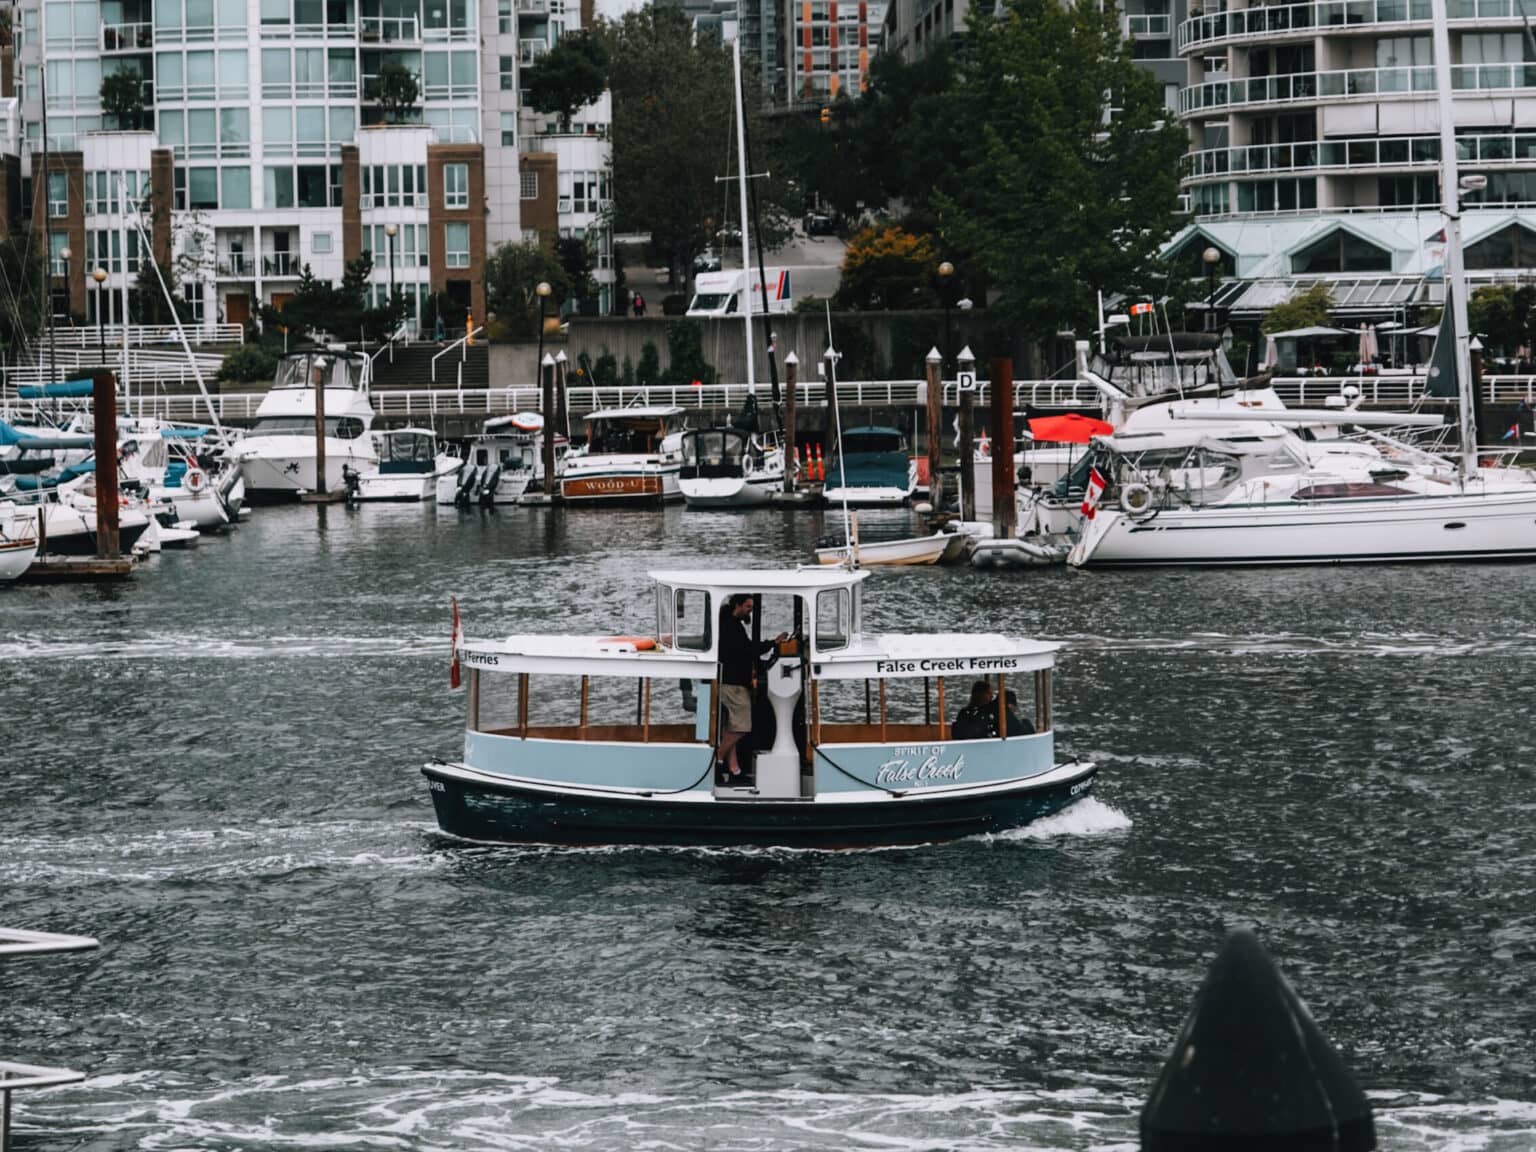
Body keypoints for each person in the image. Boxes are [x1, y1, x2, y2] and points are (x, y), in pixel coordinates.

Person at [715, 593, 786, 780]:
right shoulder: (732, 626)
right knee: (742, 727)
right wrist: (773, 643)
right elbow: (748, 650)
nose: (750, 611)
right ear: (737, 605)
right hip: (734, 685)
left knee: (731, 727)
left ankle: (735, 770)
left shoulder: (729, 623)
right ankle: (718, 758)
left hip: (729, 681)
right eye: (748, 607)